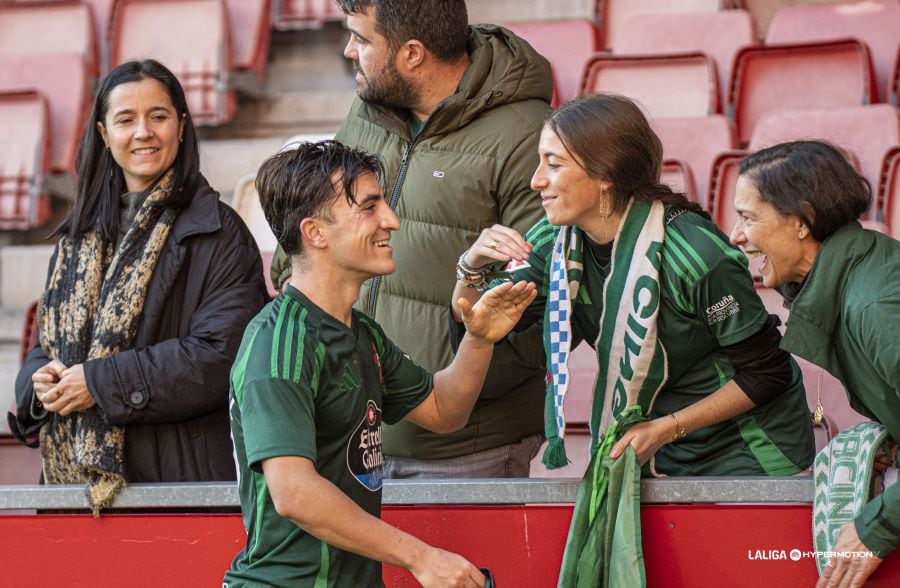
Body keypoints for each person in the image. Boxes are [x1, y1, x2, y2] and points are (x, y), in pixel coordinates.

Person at [451, 93, 815, 478]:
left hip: (748, 451)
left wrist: (665, 429)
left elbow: (766, 372)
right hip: (653, 451)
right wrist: (470, 271)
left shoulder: (696, 253)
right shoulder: (552, 245)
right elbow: (479, 330)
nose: (535, 180)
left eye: (553, 164)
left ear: (605, 175)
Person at [224, 140, 535, 586]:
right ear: (315, 233)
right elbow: (293, 492)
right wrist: (421, 557)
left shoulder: (362, 332)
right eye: (369, 208)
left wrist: (480, 339)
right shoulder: (278, 341)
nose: (392, 220)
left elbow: (445, 411)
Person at [269, 0, 554, 478]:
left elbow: (536, 309)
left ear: (413, 54)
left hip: (461, 449)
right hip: (350, 434)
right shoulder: (368, 108)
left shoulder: (526, 136)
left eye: (361, 39)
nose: (347, 50)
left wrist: (423, 389)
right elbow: (306, 234)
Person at [8, 59, 268, 510]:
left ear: (182, 126)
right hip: (71, 492)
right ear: (105, 136)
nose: (143, 132)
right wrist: (39, 382)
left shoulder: (219, 232)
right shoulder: (76, 238)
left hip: (179, 486)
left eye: (159, 117)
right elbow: (45, 347)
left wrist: (98, 383)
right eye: (126, 120)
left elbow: (220, 357)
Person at [730, 140, 899, 588]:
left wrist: (878, 527)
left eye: (747, 217)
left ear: (802, 221)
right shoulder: (853, 278)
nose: (734, 235)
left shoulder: (875, 307)